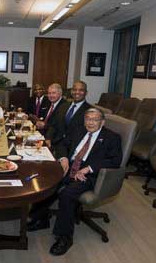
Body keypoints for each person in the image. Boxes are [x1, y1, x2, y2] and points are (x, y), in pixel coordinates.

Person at [27, 108, 122, 256]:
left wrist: (89, 169)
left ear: (102, 122)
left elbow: (115, 161)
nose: (90, 122)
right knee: (45, 180)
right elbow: (63, 145)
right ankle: (41, 218)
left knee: (66, 194)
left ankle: (64, 237)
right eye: (87, 119)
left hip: (89, 175)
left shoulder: (112, 137)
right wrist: (64, 158)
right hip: (69, 166)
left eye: (94, 119)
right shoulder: (78, 130)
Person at [45, 81, 91, 156]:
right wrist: (48, 138)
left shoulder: (89, 111)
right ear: (71, 91)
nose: (77, 92)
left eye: (81, 90)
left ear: (86, 92)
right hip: (55, 144)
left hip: (72, 149)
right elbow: (54, 125)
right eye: (74, 89)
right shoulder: (63, 106)